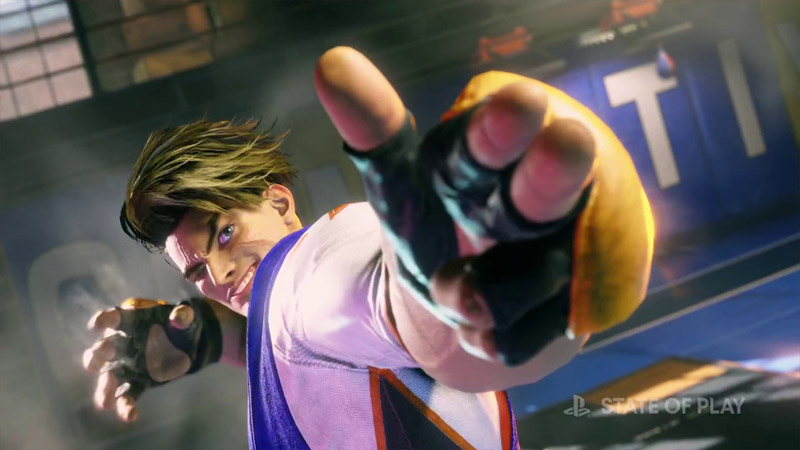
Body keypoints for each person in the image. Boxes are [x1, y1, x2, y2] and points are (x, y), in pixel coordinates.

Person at [83, 47, 654, 449]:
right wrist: (206, 337)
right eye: (199, 272)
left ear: (280, 202)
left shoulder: (305, 272)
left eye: (226, 234)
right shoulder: (279, 324)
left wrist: (434, 298)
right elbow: (306, 349)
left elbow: (358, 302)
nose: (222, 274)